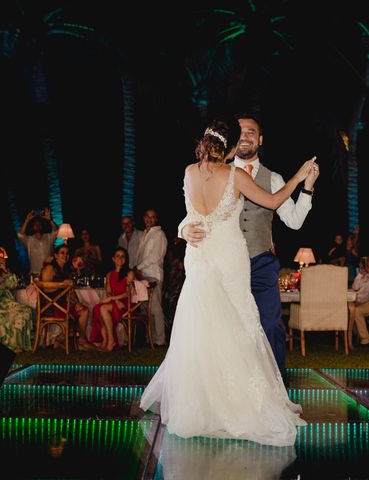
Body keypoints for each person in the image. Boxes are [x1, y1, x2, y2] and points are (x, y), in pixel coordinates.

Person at [140, 119, 316, 446]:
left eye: (252, 132)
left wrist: (182, 230)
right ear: (232, 146)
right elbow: (273, 201)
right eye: (241, 135)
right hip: (228, 258)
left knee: (219, 329)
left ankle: (209, 405)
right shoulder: (234, 175)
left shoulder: (191, 171)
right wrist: (300, 176)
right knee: (235, 328)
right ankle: (238, 405)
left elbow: (194, 213)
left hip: (217, 258)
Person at [177, 113, 320, 379]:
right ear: (230, 141)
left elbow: (295, 221)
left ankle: (276, 387)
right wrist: (183, 230)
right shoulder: (217, 172)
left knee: (269, 326)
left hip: (260, 262)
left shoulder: (273, 178)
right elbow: (192, 214)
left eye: (251, 132)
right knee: (221, 330)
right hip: (223, 264)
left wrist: (307, 188)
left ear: (260, 139)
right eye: (240, 132)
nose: (245, 136)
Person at [40, 244, 92, 349]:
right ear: (56, 255)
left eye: (67, 253)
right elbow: (45, 286)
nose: (65, 255)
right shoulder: (50, 267)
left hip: (62, 304)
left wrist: (76, 303)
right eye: (62, 253)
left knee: (83, 309)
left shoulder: (65, 271)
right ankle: (79, 341)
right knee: (83, 312)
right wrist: (62, 284)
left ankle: (61, 339)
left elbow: (69, 291)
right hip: (51, 305)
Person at [89, 247, 135, 351]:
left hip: (125, 302)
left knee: (103, 308)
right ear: (113, 259)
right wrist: (114, 300)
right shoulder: (109, 274)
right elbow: (109, 292)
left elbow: (128, 293)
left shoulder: (129, 273)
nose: (120, 259)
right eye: (117, 256)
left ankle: (111, 341)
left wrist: (114, 299)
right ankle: (105, 340)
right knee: (97, 308)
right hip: (115, 302)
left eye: (123, 256)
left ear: (126, 259)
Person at [133, 209, 167, 346]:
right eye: (147, 216)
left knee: (155, 307)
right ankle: (150, 339)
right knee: (146, 308)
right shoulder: (144, 234)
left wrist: (138, 267)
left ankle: (160, 340)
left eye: (153, 217)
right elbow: (139, 255)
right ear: (144, 218)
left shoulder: (159, 234)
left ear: (156, 219)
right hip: (142, 275)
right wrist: (136, 269)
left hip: (153, 275)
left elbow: (155, 256)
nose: (150, 219)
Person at [17, 208, 59, 276]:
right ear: (32, 227)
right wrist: (27, 220)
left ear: (42, 226)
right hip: (34, 273)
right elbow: (20, 235)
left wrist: (50, 220)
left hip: (49, 273)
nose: (37, 226)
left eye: (39, 224)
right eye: (35, 225)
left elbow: (56, 231)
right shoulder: (28, 240)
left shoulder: (49, 237)